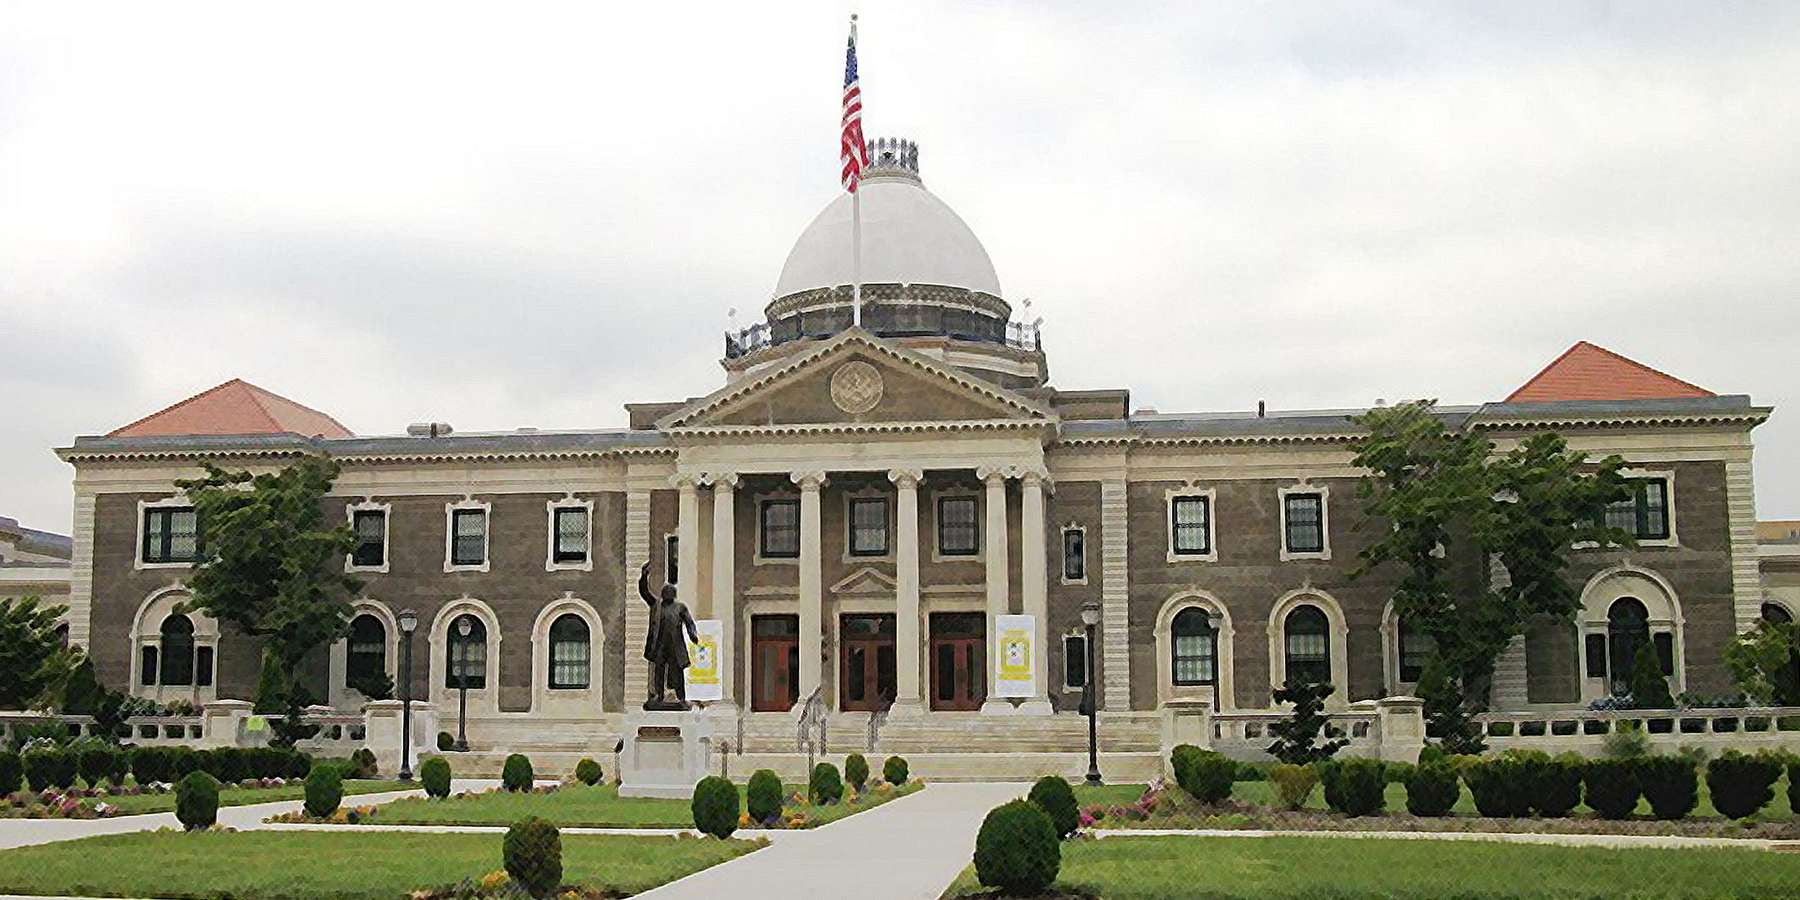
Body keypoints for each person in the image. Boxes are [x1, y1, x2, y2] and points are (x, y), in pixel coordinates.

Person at [638, 559, 699, 709]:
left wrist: (693, 635)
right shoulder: (656, 605)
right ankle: (658, 695)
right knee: (658, 671)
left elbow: (689, 622)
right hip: (659, 645)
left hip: (675, 645)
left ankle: (681, 697)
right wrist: (643, 576)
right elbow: (644, 592)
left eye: (670, 592)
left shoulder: (680, 607)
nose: (668, 594)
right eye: (666, 592)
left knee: (677, 672)